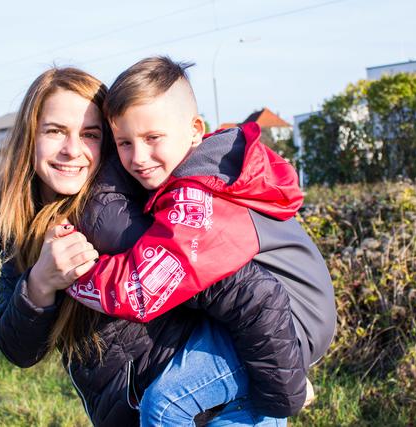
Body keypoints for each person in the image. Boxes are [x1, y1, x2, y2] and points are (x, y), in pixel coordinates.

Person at [0, 66, 307, 426]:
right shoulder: (25, 218)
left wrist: (284, 389)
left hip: (205, 410)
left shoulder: (114, 213)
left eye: (90, 134)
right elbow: (18, 349)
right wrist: (40, 284)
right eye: (56, 131)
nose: (72, 150)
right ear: (30, 137)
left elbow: (244, 289)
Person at [66, 56, 337, 424]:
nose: (138, 157)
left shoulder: (202, 197)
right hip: (272, 319)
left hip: (291, 320)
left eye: (152, 138)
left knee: (163, 404)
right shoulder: (203, 167)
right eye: (124, 143)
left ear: (195, 129)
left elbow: (144, 286)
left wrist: (71, 272)